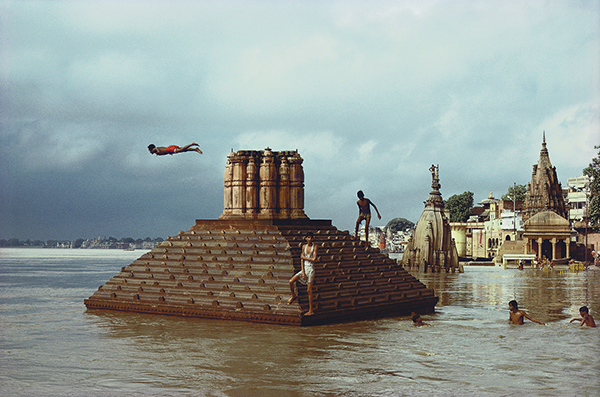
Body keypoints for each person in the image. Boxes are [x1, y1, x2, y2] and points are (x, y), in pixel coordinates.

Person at [288, 232, 318, 316]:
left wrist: (304, 257)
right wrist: (303, 272)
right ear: (306, 238)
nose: (310, 239)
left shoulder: (314, 247)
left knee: (309, 290)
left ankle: (311, 310)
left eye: (311, 238)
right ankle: (293, 295)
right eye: (308, 237)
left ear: (313, 238)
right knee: (291, 281)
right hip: (304, 268)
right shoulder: (304, 246)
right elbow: (302, 260)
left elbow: (314, 259)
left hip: (311, 269)